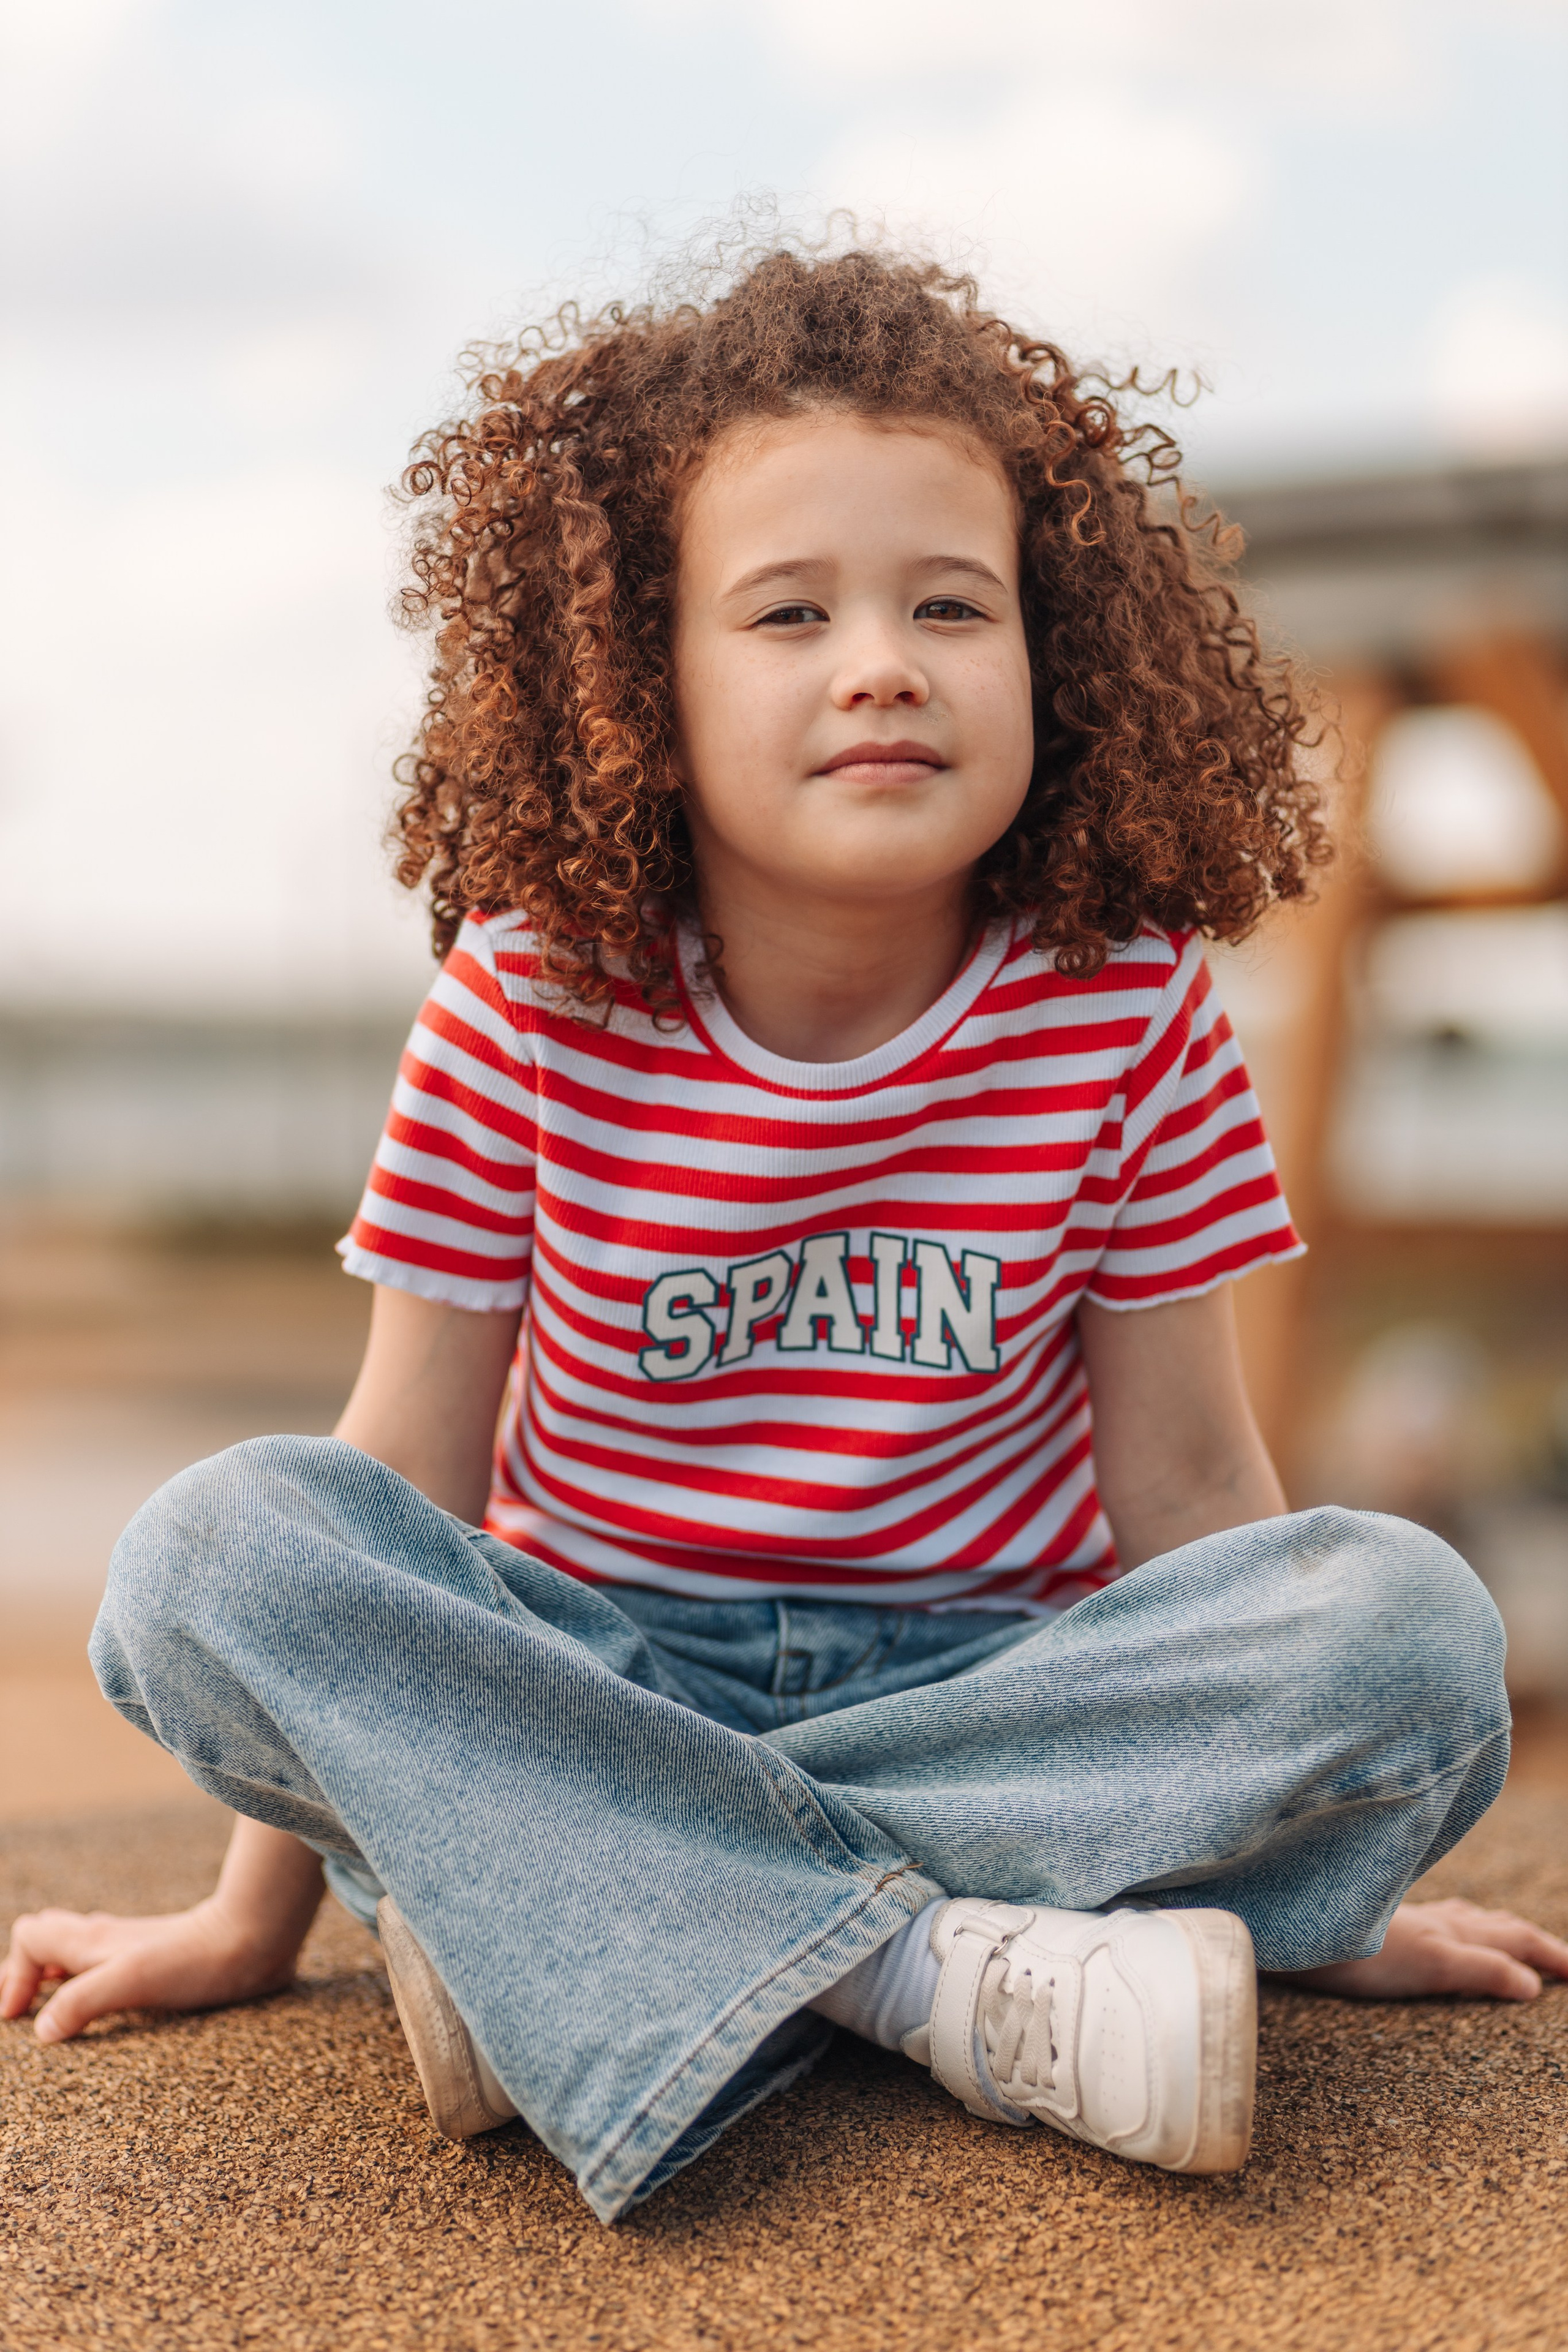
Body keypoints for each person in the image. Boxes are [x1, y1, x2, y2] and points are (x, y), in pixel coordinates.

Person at [4, 247, 1564, 2226]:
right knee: (215, 1550)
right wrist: (250, 1922)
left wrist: (1322, 1868)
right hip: (590, 1680)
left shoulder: (1130, 1006)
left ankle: (582, 1938)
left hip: (999, 1691)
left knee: (1407, 1627)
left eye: (951, 606)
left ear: (1053, 659)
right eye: (789, 611)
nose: (883, 660)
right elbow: (399, 1471)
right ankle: (933, 1972)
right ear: (638, 677)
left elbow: (1188, 1483)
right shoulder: (530, 995)